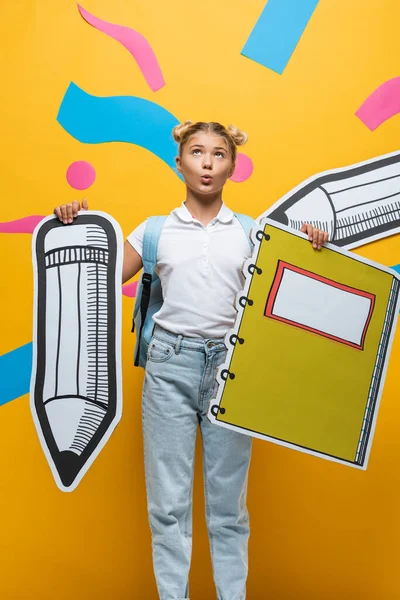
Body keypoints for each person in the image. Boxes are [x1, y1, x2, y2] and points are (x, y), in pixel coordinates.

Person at [54, 120, 329, 600]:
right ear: (179, 162)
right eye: (197, 152)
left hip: (231, 371)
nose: (207, 162)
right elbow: (94, 274)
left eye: (218, 154)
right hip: (168, 366)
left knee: (228, 510)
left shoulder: (252, 233)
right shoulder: (155, 231)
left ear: (232, 167)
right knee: (168, 505)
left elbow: (290, 297)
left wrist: (313, 246)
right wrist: (73, 226)